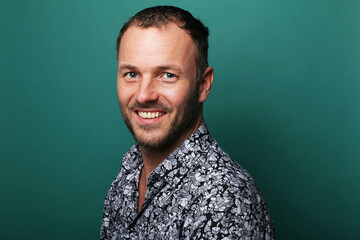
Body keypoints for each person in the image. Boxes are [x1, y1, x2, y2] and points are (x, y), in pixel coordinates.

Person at [101, 5, 274, 239]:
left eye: (167, 75)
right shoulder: (130, 170)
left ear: (203, 85)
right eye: (132, 74)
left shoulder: (222, 200)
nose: (143, 95)